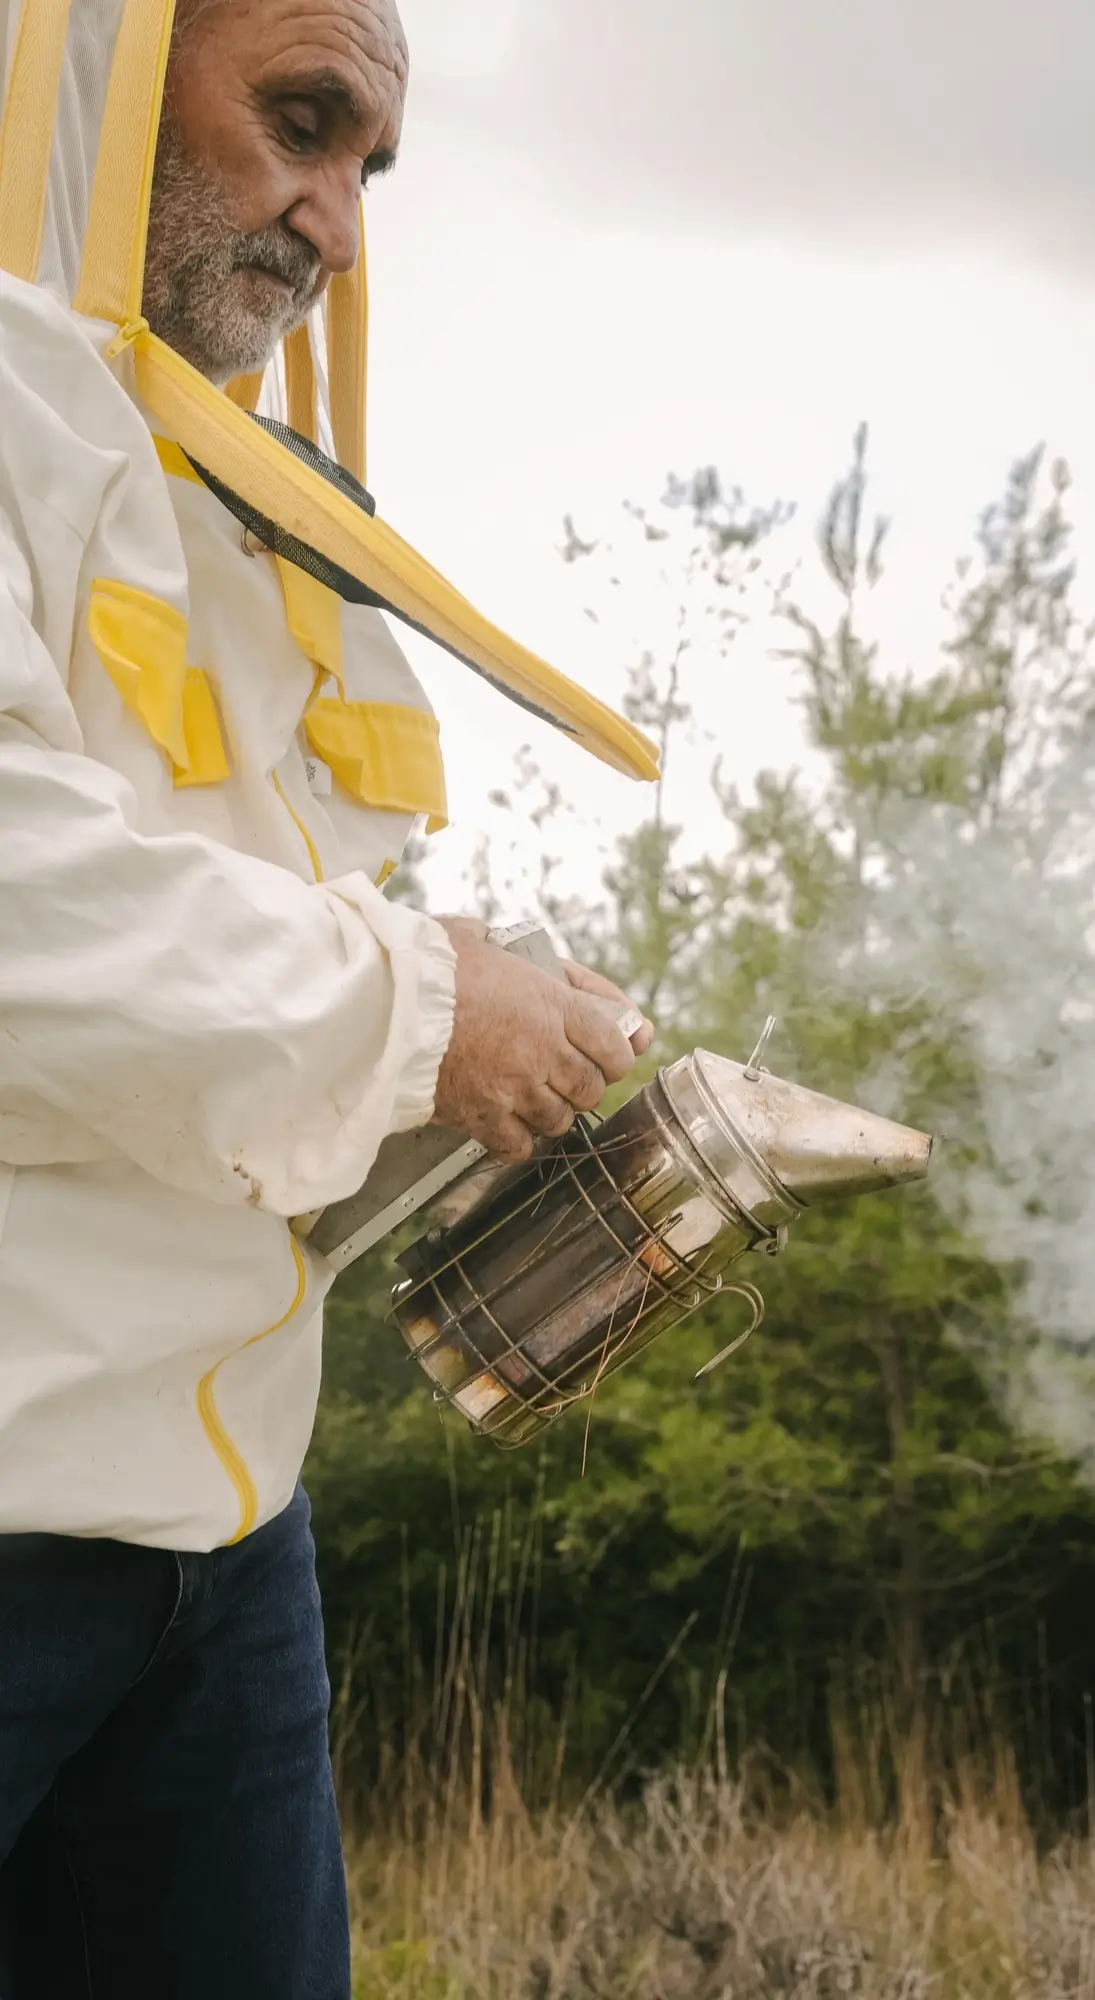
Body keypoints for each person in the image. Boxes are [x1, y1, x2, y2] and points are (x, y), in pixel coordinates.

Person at [0, 0, 658, 1992]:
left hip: (228, 1539)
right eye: (301, 123)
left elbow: (239, 975)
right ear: (99, 70)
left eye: (368, 167)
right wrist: (429, 1013)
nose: (338, 222)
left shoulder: (228, 487)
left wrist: (510, 1045)